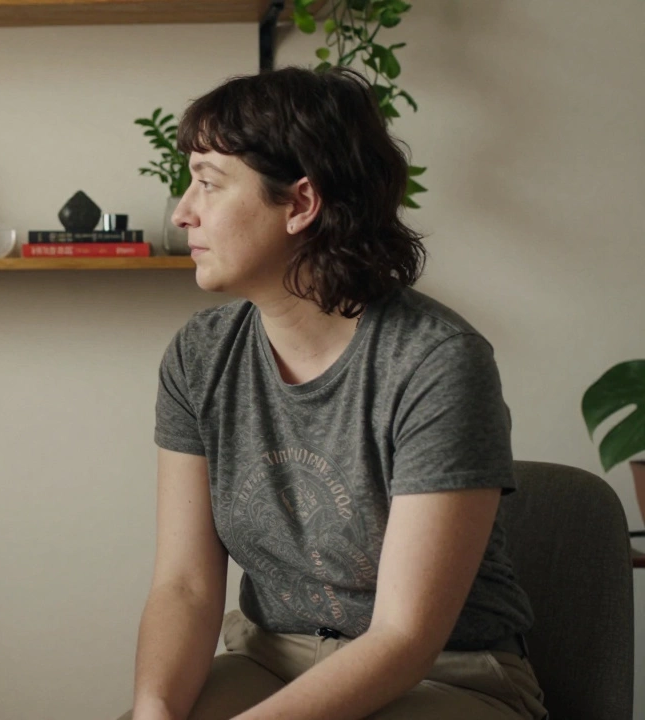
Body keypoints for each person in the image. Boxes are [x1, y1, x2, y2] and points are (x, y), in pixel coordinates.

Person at [124, 67, 547, 720]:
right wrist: (153, 711)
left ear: (300, 203)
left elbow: (405, 637)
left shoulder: (435, 362)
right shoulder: (200, 355)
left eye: (207, 183)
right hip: (271, 659)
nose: (183, 212)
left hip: (446, 676)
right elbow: (184, 587)